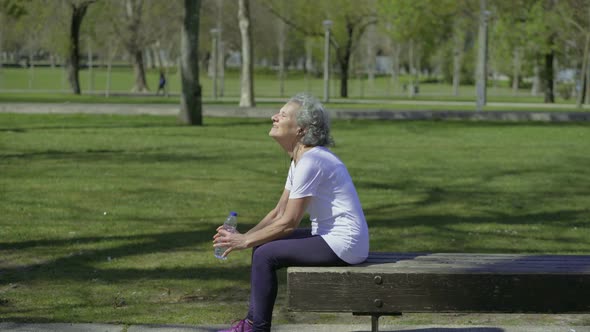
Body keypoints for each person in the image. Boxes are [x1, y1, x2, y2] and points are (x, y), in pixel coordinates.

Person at [213, 93, 369, 332]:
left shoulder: (312, 161)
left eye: (283, 115)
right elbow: (278, 212)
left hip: (344, 243)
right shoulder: (300, 160)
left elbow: (288, 224)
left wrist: (244, 240)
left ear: (300, 129)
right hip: (331, 237)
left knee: (266, 254)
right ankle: (251, 324)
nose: (274, 117)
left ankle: (256, 329)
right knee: (261, 246)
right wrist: (242, 236)